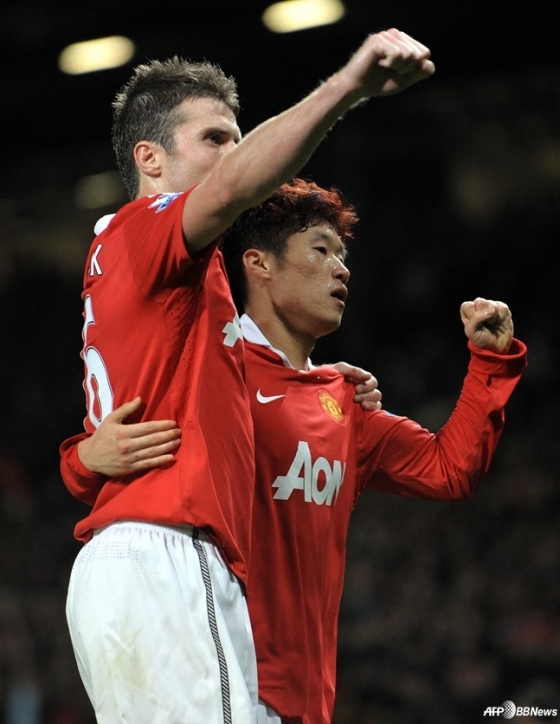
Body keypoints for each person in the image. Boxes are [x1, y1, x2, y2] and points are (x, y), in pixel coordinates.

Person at [60, 29, 435, 724]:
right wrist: (347, 87)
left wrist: (80, 460)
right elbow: (236, 186)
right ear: (149, 158)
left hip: (123, 561)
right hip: (171, 553)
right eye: (215, 138)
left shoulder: (143, 266)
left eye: (237, 139)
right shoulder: (149, 228)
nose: (233, 156)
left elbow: (158, 406)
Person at [62, 179, 528, 723]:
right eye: (321, 249)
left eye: (343, 255)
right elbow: (119, 443)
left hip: (308, 696)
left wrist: (489, 363)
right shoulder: (210, 374)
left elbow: (450, 470)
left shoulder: (342, 402)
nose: (341, 269)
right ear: (259, 264)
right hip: (219, 667)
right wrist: (82, 460)